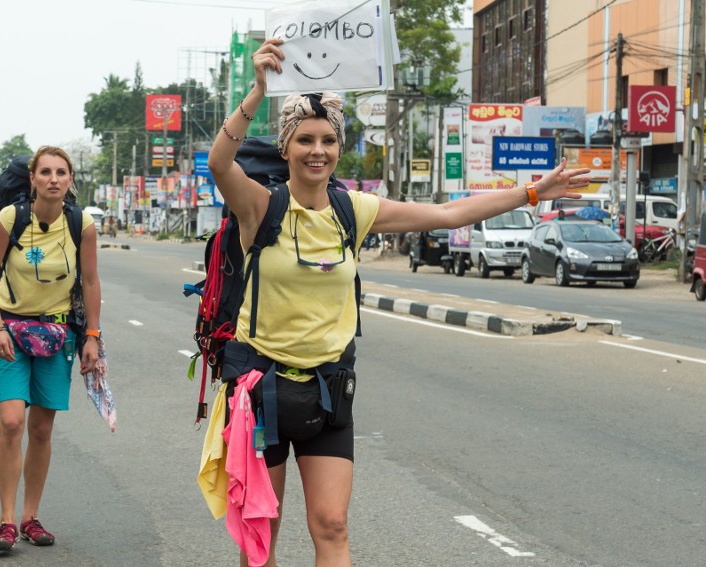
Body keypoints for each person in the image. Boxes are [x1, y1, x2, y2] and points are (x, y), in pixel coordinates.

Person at [205, 38, 591, 567]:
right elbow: (220, 162)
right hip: (260, 389)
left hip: (326, 391)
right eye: (305, 140)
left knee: (332, 525)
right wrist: (257, 91)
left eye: (327, 141)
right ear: (286, 148)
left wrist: (530, 193)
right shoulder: (259, 206)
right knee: (260, 538)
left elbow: (450, 215)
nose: (317, 150)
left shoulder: (354, 211)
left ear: (338, 148)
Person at [0, 146, 102, 552]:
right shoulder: (11, 219)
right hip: (9, 332)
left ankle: (31, 517)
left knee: (42, 429)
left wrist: (92, 337)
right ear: (32, 178)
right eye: (45, 171)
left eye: (61, 172)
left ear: (70, 180)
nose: (53, 178)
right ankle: (6, 521)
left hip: (58, 335)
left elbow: (90, 281)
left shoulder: (80, 223)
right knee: (12, 422)